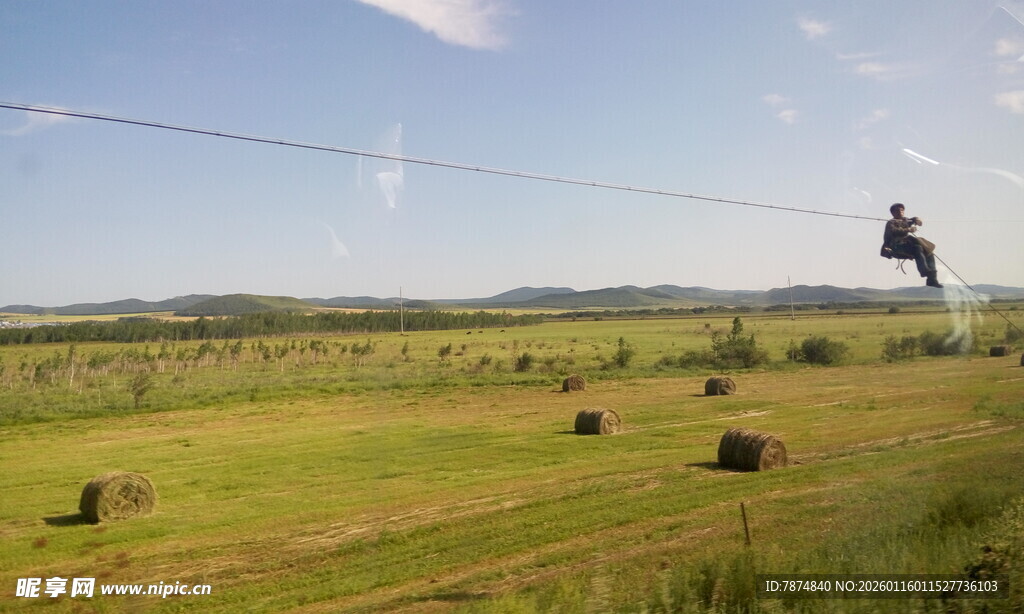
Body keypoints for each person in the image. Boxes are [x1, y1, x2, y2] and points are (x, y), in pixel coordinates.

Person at [881, 203, 942, 288]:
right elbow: (894, 231)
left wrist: (917, 219)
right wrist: (908, 229)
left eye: (902, 210)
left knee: (929, 252)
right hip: (894, 247)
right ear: (892, 213)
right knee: (917, 248)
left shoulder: (906, 220)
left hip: (906, 246)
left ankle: (932, 279)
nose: (900, 212)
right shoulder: (891, 223)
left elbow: (913, 219)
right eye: (897, 210)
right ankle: (924, 271)